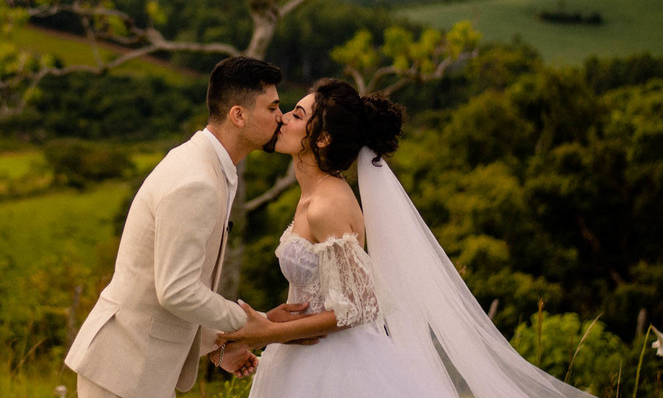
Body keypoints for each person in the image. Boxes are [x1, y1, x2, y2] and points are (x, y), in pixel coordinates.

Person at [220, 78, 597, 398]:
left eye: (297, 115)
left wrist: (269, 332)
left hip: (336, 368)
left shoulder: (327, 205)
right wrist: (270, 329)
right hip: (302, 359)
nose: (282, 119)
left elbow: (361, 305)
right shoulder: (311, 194)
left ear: (323, 139)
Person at [65, 56, 302, 398]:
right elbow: (176, 289)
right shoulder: (198, 181)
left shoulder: (206, 165)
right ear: (238, 115)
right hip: (123, 371)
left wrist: (219, 345)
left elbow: (173, 284)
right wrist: (245, 322)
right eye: (273, 107)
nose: (281, 117)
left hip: (135, 368)